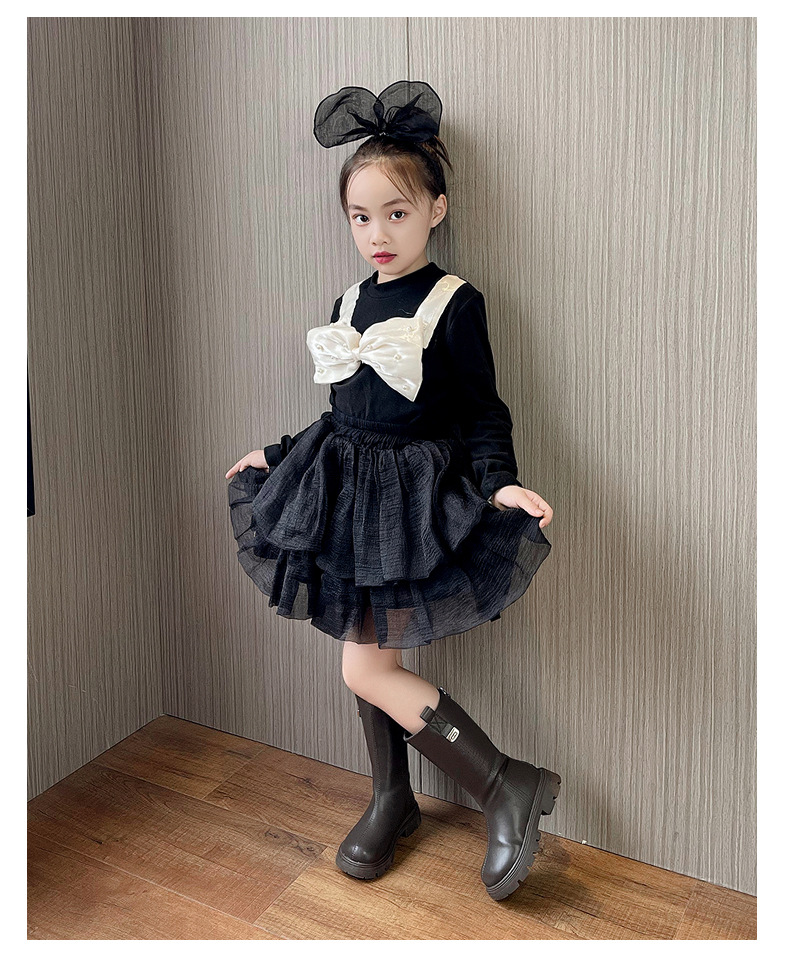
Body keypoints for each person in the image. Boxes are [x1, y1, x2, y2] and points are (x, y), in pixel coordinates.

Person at [225, 81, 561, 902]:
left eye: (397, 213)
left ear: (436, 210)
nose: (377, 234)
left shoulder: (454, 301)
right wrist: (277, 454)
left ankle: (503, 783)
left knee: (364, 667)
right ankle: (392, 798)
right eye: (360, 217)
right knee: (371, 652)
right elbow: (343, 410)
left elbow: (482, 410)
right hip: (346, 493)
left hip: (412, 502)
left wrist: (501, 483)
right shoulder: (347, 300)